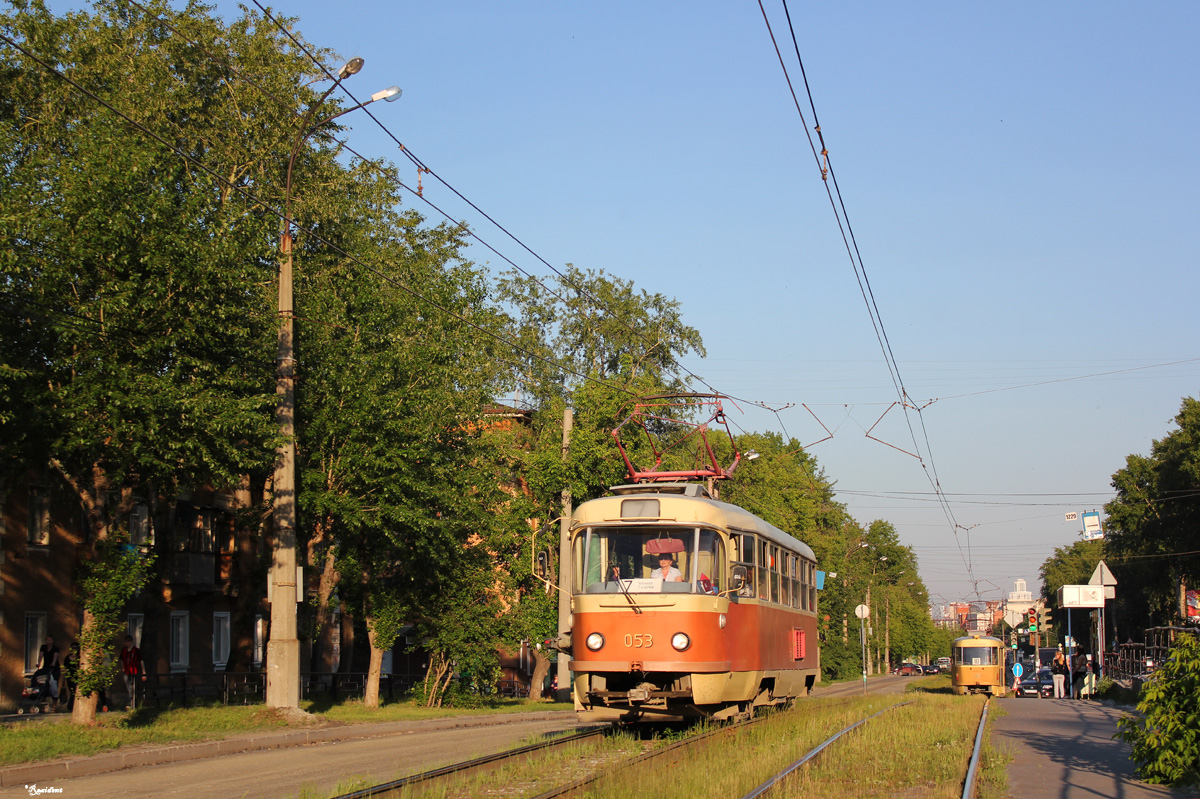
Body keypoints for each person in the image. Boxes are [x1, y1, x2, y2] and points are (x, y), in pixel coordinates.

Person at [119, 635, 147, 710]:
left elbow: (141, 661)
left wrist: (144, 672)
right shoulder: (124, 650)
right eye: (126, 642)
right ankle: (130, 701)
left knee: (132, 687)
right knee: (128, 686)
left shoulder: (136, 651)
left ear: (131, 642)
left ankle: (133, 703)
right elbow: (121, 659)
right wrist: (122, 667)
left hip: (134, 671)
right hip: (126, 671)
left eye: (129, 642)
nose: (127, 643)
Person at [35, 634, 61, 709]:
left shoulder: (55, 648)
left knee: (54, 686)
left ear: (52, 641)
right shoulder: (43, 647)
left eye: (50, 640)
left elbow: (55, 656)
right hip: (46, 668)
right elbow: (40, 655)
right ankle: (44, 705)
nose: (49, 642)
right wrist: (38, 663)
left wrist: (53, 662)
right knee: (44, 685)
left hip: (54, 669)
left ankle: (54, 705)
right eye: (47, 640)